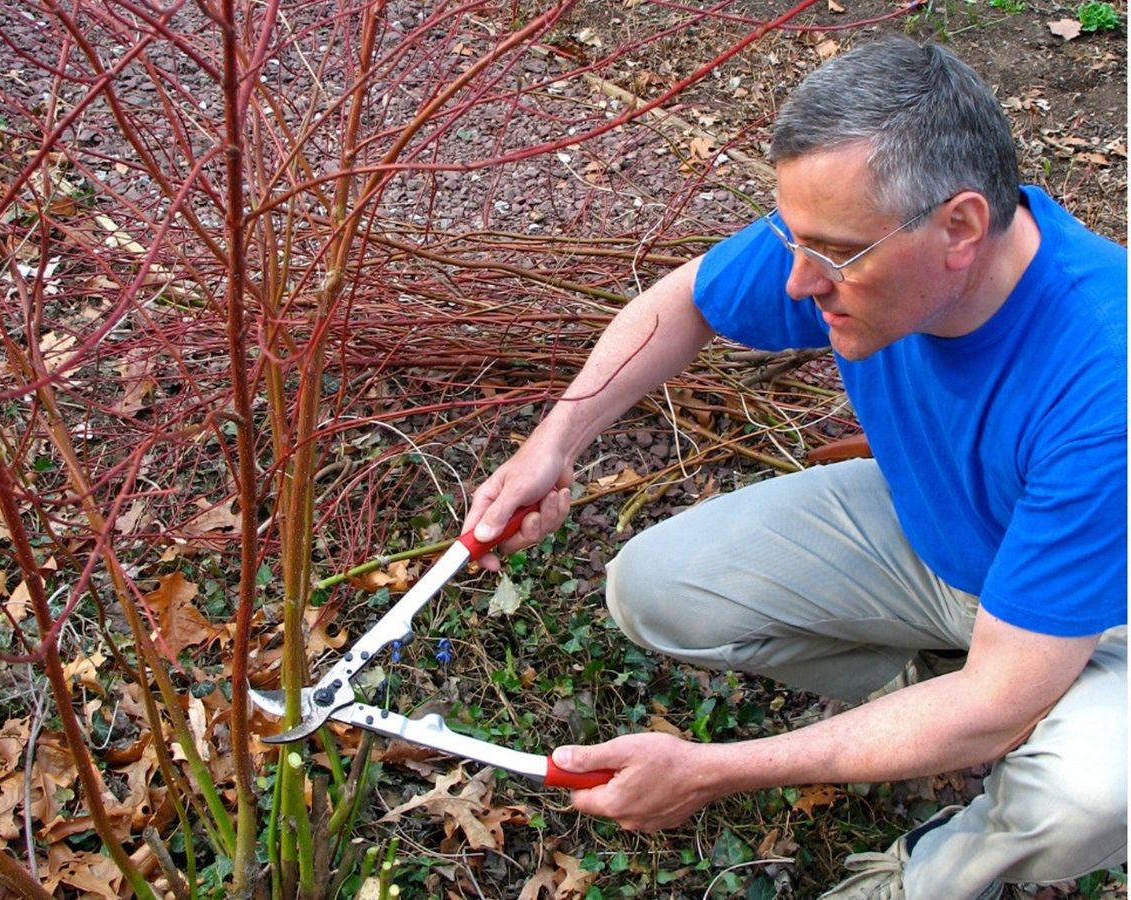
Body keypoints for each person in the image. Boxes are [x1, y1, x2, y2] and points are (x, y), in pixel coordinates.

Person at [459, 35, 1128, 900]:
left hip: (1104, 618)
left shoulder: (1104, 378)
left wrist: (712, 769)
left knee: (1079, 796)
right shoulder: (862, 239)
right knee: (658, 588)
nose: (797, 283)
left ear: (960, 228)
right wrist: (552, 443)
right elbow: (683, 301)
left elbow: (999, 697)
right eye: (792, 239)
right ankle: (931, 697)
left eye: (834, 254)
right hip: (953, 536)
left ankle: (938, 866)